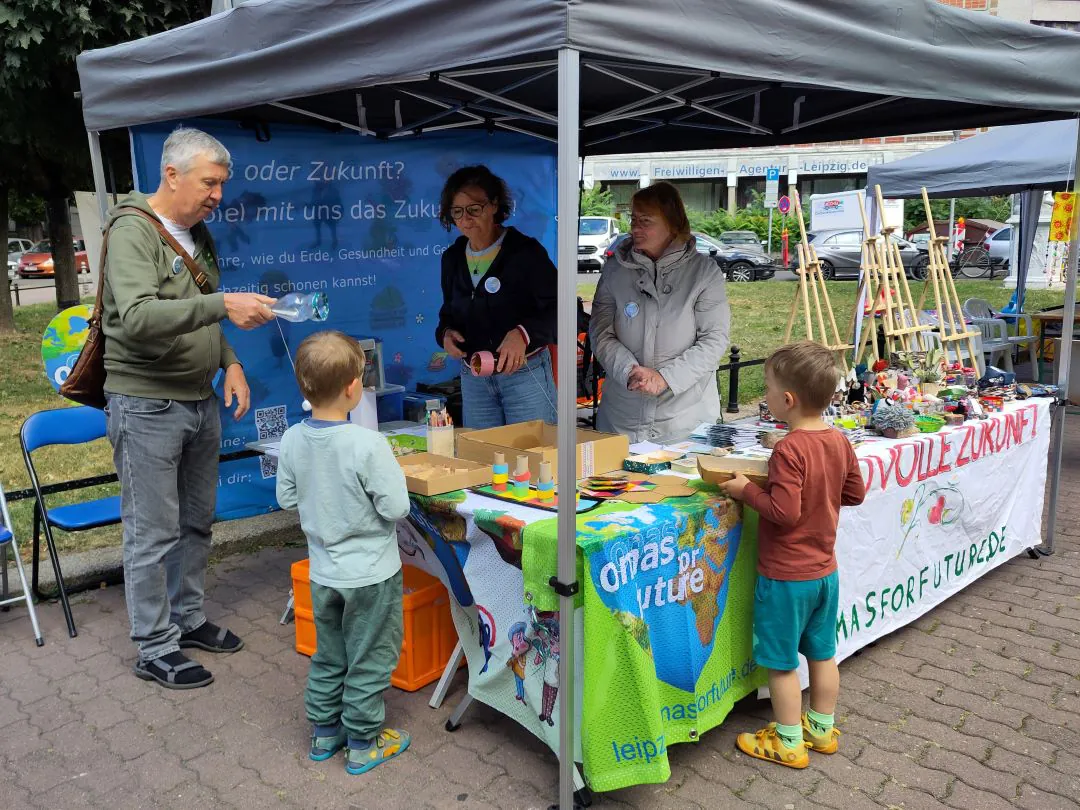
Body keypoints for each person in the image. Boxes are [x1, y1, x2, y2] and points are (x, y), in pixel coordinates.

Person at [102, 127, 277, 690]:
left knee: (196, 522)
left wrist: (231, 362)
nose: (217, 196)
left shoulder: (198, 235)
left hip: (200, 399)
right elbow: (137, 317)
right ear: (172, 175)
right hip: (146, 404)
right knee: (152, 533)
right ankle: (154, 647)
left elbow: (208, 315)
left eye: (222, 184)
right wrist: (222, 303)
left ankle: (188, 618)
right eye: (210, 182)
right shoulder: (132, 231)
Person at [720, 342, 866, 769]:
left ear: (788, 400)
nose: (764, 395)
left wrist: (746, 490)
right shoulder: (837, 439)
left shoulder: (788, 449)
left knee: (781, 663)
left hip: (786, 578)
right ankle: (820, 730)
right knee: (822, 654)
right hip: (825, 572)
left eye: (766, 388)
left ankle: (787, 740)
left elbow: (784, 512)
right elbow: (855, 492)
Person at [276, 331, 412, 775]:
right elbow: (397, 507)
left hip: (324, 572)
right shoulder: (367, 444)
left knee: (329, 653)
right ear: (355, 387)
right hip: (372, 575)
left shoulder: (293, 439)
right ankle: (362, 740)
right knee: (371, 657)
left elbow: (285, 497)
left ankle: (324, 732)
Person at [590, 182, 730, 444]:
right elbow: (601, 332)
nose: (635, 228)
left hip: (686, 416)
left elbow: (714, 339)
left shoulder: (704, 272)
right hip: (622, 414)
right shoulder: (614, 270)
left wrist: (666, 378)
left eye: (645, 221)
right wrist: (629, 371)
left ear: (672, 224)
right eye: (633, 219)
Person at [435, 165, 557, 428]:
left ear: (494, 206)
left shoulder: (525, 253)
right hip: (475, 375)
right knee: (483, 459)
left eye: (473, 209)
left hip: (524, 374)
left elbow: (563, 310)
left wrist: (523, 334)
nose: (465, 219)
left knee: (535, 458)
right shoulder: (453, 258)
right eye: (457, 212)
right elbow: (448, 312)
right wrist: (445, 333)